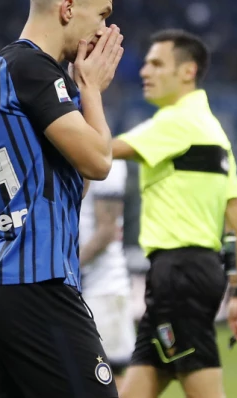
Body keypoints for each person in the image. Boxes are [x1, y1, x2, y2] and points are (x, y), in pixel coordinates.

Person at [0, 0, 124, 398]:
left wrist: (79, 93)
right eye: (102, 15)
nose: (104, 31)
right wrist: (92, 91)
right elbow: (99, 163)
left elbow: (78, 183)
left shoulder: (2, 71)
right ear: (68, 9)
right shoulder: (32, 68)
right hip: (35, 283)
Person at [111, 29, 237, 398]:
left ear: (188, 71)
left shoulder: (176, 123)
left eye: (157, 64)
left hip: (179, 277)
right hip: (192, 274)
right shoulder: (213, 131)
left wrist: (22, 153)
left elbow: (98, 153)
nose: (145, 71)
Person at [79, 159, 135, 391]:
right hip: (82, 288)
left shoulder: (107, 162)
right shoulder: (76, 157)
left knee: (109, 376)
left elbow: (107, 230)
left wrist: (68, 265)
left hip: (104, 289)